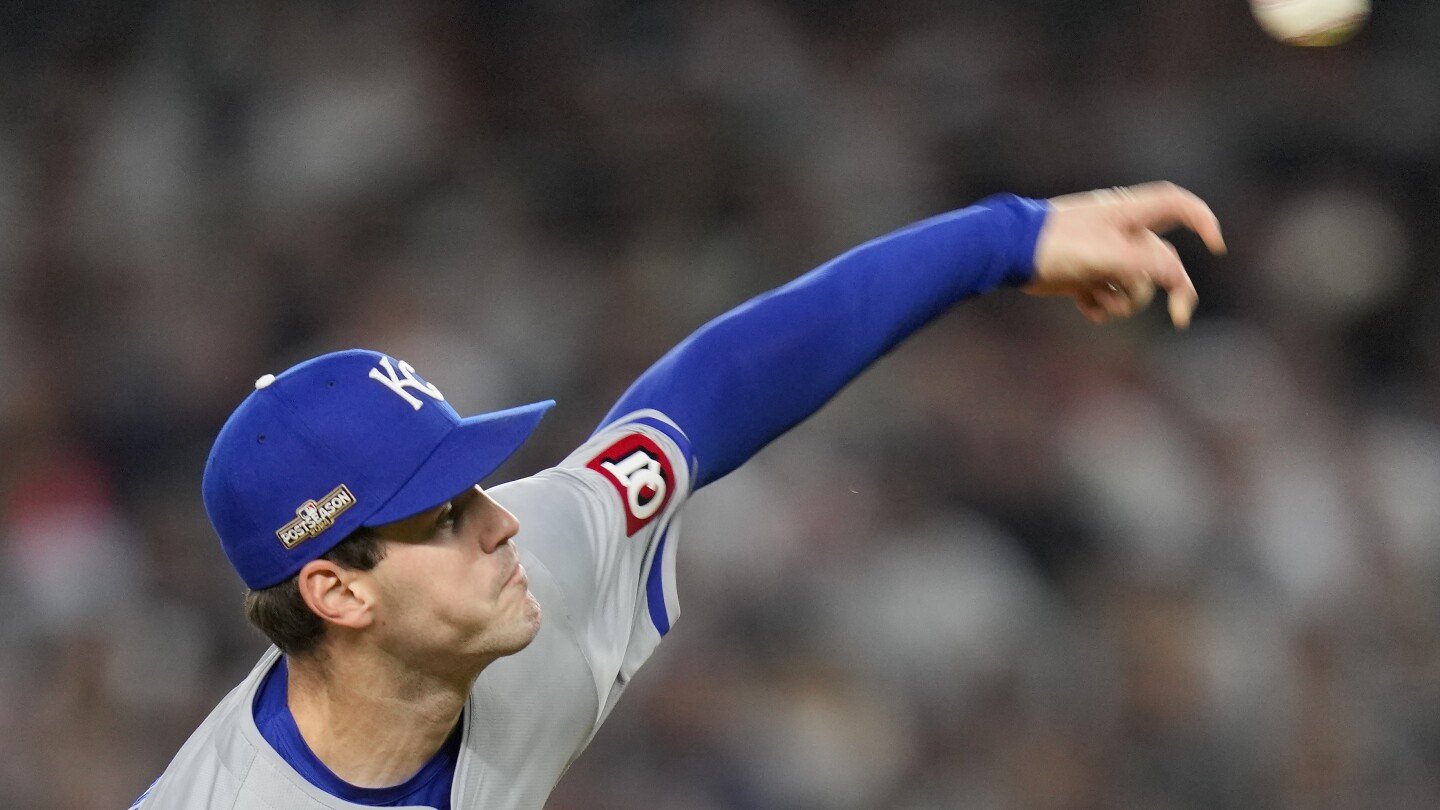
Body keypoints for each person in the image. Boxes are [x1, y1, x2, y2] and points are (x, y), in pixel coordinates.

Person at [133, 183, 1224, 809]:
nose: (501, 518)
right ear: (336, 591)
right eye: (444, 517)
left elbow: (711, 393)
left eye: (475, 487)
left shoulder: (532, 570)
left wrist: (1004, 238)